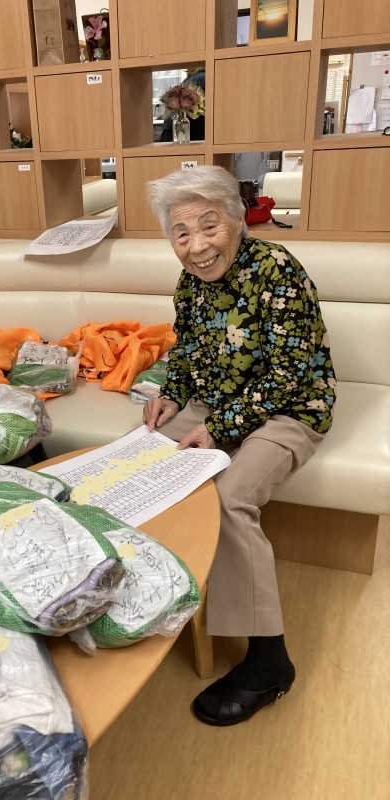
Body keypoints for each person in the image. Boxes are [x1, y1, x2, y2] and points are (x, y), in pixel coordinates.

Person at [143, 166, 336, 726]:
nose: (197, 246)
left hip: (290, 407)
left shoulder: (276, 268)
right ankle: (156, 595)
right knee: (142, 458)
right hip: (217, 404)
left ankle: (270, 661)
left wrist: (221, 426)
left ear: (236, 219)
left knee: (230, 499)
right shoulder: (190, 284)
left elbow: (289, 373)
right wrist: (171, 395)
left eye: (209, 226)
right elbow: (187, 352)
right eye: (181, 233)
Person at [158, 69, 206, 143]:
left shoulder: (200, 80)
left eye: (181, 94)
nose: (186, 99)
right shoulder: (189, 115)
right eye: (181, 103)